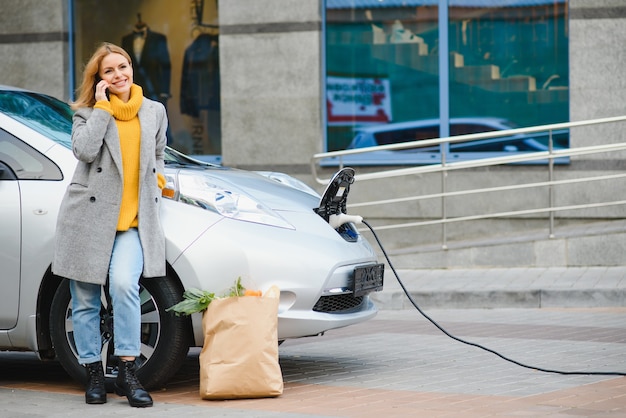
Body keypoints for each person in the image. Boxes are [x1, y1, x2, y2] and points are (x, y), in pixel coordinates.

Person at [52, 42, 168, 408]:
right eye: (109, 71)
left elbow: (160, 153)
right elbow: (85, 151)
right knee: (84, 300)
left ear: (132, 68)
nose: (119, 75)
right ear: (98, 79)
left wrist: (159, 183)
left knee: (123, 286)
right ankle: (94, 375)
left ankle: (128, 372)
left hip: (133, 221)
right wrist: (102, 107)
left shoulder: (154, 111)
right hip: (88, 219)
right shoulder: (88, 113)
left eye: (123, 67)